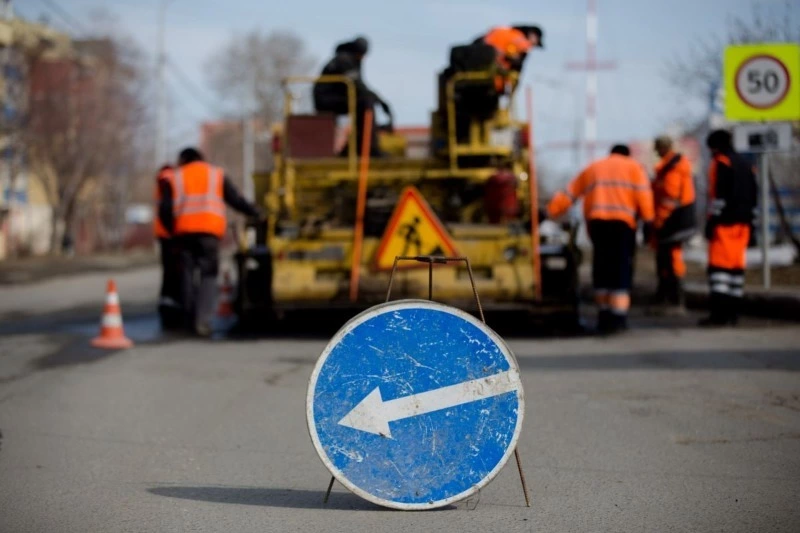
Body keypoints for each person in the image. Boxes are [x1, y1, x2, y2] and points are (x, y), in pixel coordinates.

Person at [547, 145, 655, 334]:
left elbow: (570, 193)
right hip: (623, 225)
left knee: (602, 268)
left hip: (598, 226)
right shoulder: (634, 168)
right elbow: (643, 196)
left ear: (611, 153)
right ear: (627, 154)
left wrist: (550, 212)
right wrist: (648, 221)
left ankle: (604, 315)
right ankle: (618, 317)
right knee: (620, 269)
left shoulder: (594, 167)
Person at [158, 148, 262, 337]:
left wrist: (172, 231)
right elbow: (235, 200)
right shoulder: (215, 174)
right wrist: (255, 213)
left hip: (183, 235)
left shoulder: (175, 177)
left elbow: (164, 209)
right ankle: (203, 321)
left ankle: (188, 320)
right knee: (209, 275)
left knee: (186, 276)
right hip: (209, 235)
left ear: (183, 160)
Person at [699, 129, 758, 327]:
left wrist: (712, 222)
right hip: (744, 225)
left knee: (719, 269)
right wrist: (753, 225)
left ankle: (719, 314)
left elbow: (719, 197)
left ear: (715, 146)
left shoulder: (722, 163)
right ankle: (733, 313)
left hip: (725, 225)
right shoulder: (746, 165)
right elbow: (754, 197)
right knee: (735, 269)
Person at [313, 36, 392, 157]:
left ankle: (352, 148)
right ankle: (369, 147)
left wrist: (379, 100)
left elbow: (359, 85)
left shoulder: (349, 59)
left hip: (333, 97)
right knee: (366, 103)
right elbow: (357, 85)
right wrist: (380, 101)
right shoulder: (344, 60)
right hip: (326, 100)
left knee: (365, 102)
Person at [648, 135, 696, 315]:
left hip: (672, 221)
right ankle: (666, 297)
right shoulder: (671, 166)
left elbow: (669, 198)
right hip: (674, 220)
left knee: (670, 259)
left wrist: (658, 222)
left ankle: (674, 299)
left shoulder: (673, 168)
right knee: (665, 259)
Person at [153, 164, 183, 330]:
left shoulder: (163, 179)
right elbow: (167, 208)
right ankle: (171, 310)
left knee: (168, 273)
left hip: (164, 233)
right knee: (173, 274)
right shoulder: (169, 178)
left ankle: (167, 306)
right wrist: (173, 230)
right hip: (170, 234)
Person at [475, 25, 543, 91]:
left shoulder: (504, 30)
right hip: (491, 77)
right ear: (532, 35)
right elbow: (515, 63)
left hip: (477, 68)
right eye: (535, 43)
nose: (533, 46)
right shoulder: (522, 42)